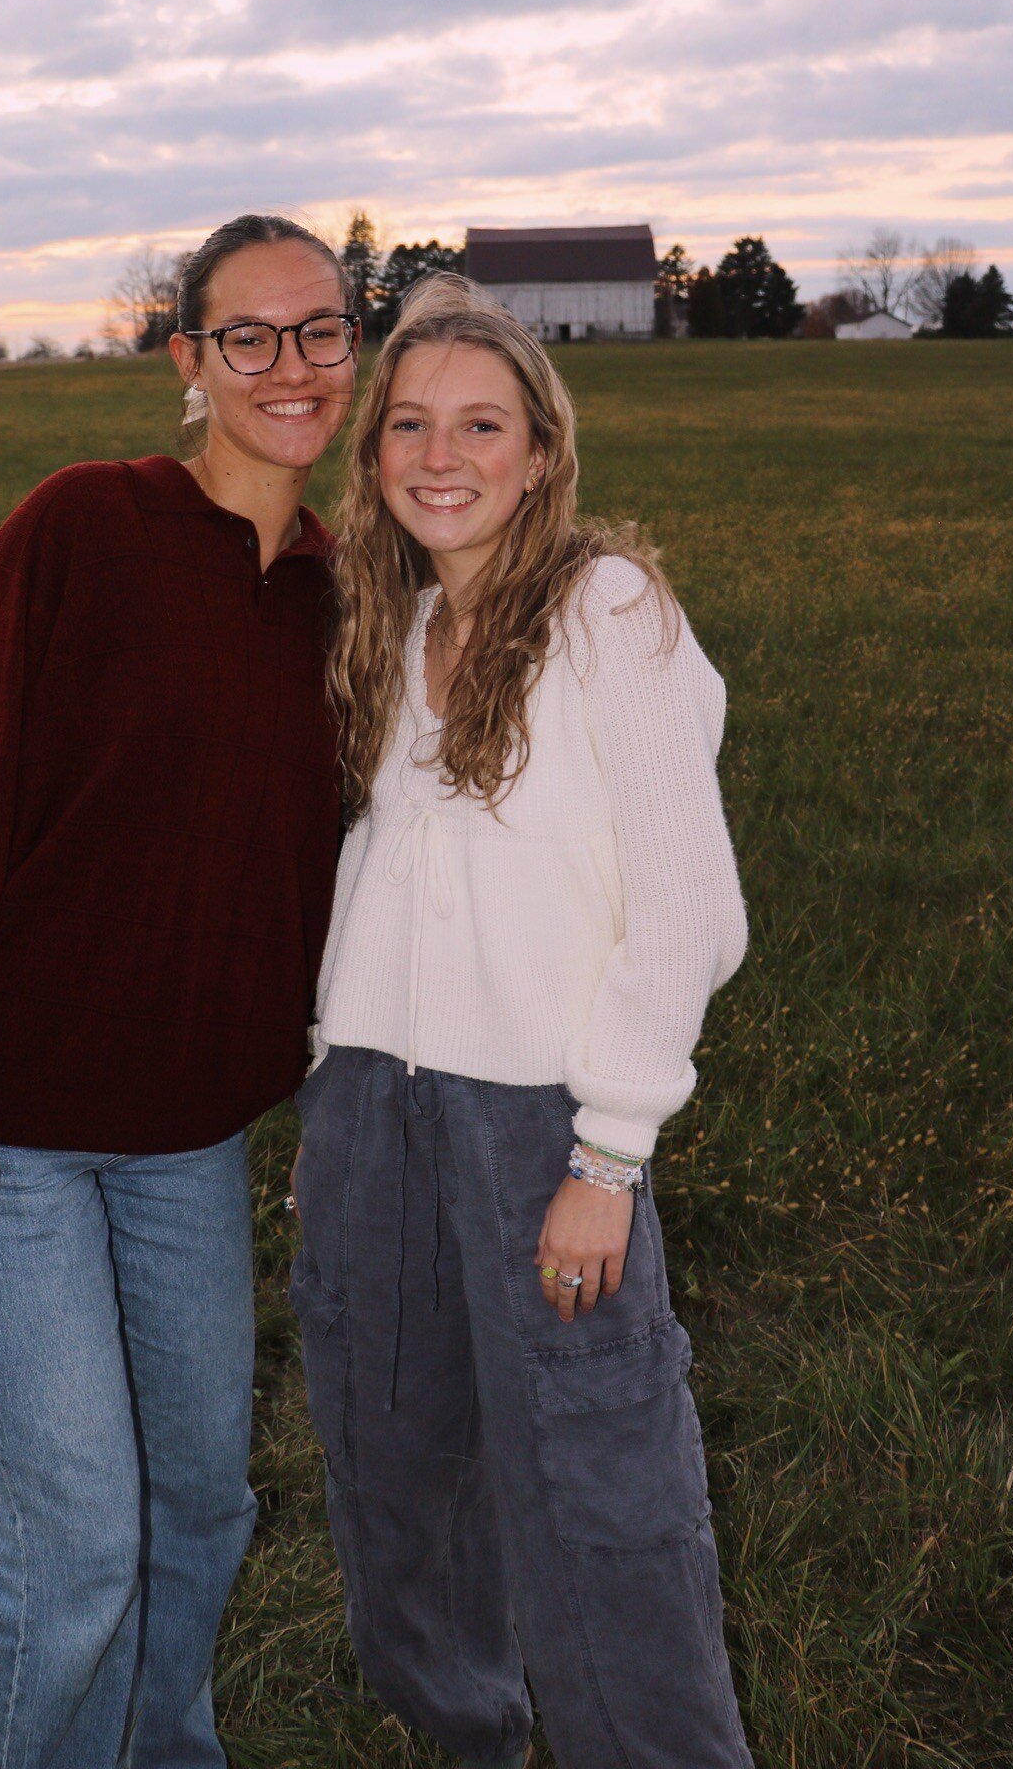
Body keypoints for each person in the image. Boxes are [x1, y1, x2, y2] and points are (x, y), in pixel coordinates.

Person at [0, 213, 359, 1769]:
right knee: (70, 1545)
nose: (291, 366)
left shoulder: (343, 601)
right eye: (249, 336)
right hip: (1, 1127)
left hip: (188, 1137)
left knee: (203, 1502)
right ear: (188, 363)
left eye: (322, 330)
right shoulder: (81, 529)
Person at [290, 274, 754, 1769]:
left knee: (596, 1490)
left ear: (541, 449)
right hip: (370, 1111)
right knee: (390, 1479)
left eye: (481, 423)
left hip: (536, 1125)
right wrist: (331, 1096)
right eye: (409, 423)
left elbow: (689, 910)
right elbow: (374, 884)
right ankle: (474, 1737)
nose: (443, 453)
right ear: (373, 456)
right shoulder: (392, 618)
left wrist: (606, 1157)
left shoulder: (606, 609)